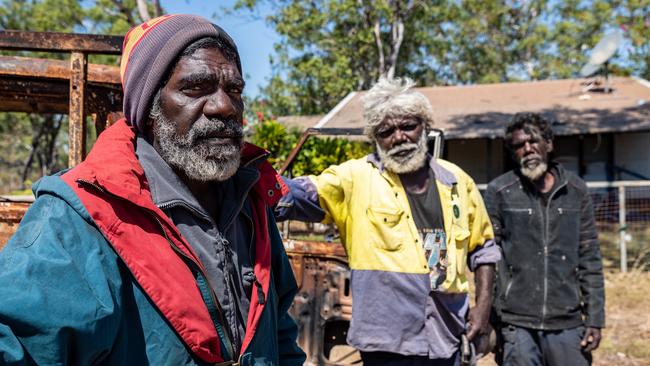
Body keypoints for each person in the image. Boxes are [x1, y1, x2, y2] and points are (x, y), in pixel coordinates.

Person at [0, 14, 305, 365]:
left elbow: (278, 331)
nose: (225, 106)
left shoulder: (252, 202)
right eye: (195, 87)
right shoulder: (81, 214)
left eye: (234, 89)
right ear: (149, 107)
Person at [276, 77, 501, 365]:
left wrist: (482, 311)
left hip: (446, 335)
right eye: (386, 131)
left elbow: (484, 250)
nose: (399, 137)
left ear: (425, 126)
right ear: (374, 137)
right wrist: (250, 182)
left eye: (408, 126)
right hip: (386, 341)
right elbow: (297, 194)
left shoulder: (457, 182)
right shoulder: (356, 178)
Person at [485, 113, 605, 366]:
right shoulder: (500, 192)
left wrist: (595, 318)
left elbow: (589, 256)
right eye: (518, 145)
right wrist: (492, 321)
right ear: (512, 152)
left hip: (567, 321)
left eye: (534, 141)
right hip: (516, 324)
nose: (527, 149)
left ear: (548, 144)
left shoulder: (576, 191)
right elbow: (488, 260)